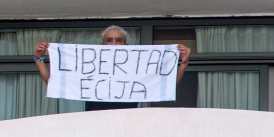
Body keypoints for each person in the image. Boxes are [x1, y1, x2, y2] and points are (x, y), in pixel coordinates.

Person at [33, 25, 191, 111]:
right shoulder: (90, 64)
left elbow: (163, 87)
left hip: (127, 127)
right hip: (94, 125)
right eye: (109, 40)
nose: (114, 44)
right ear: (102, 45)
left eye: (118, 40)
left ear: (126, 45)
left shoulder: (136, 66)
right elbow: (58, 85)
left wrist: (183, 64)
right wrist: (39, 59)